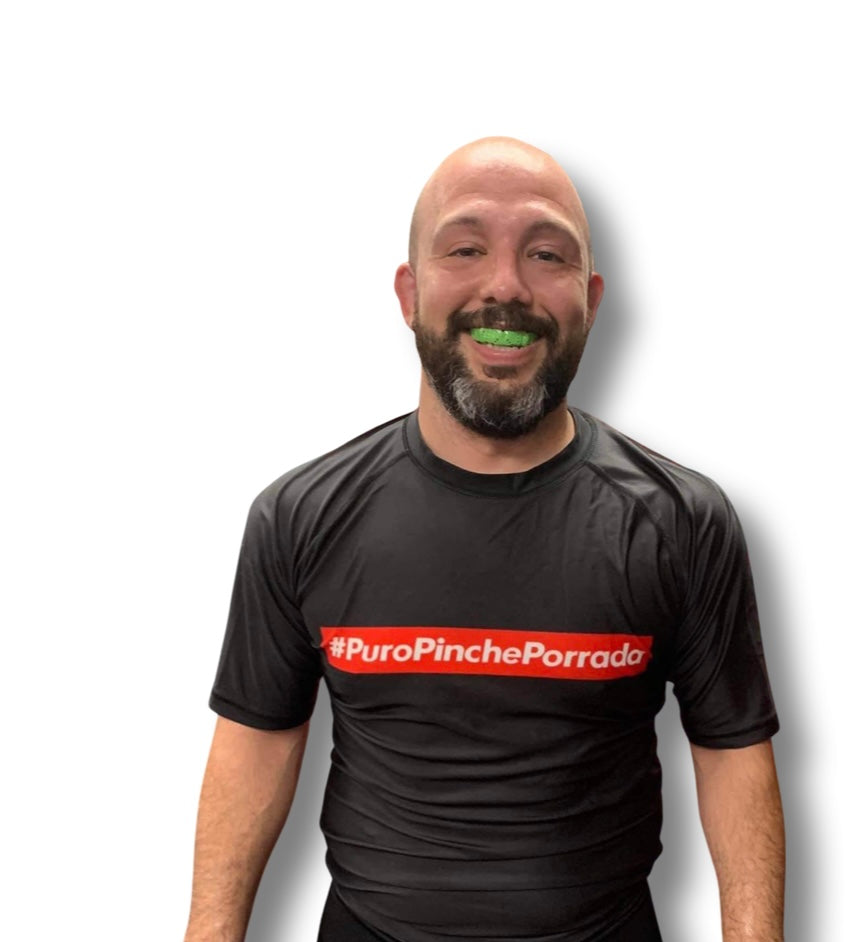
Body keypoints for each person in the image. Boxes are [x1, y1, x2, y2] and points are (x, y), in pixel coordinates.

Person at [184, 137, 785, 942]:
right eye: (466, 249)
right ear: (410, 291)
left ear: (591, 299)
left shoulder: (683, 522)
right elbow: (257, 743)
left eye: (546, 254)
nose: (505, 285)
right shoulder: (298, 516)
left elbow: (731, 756)